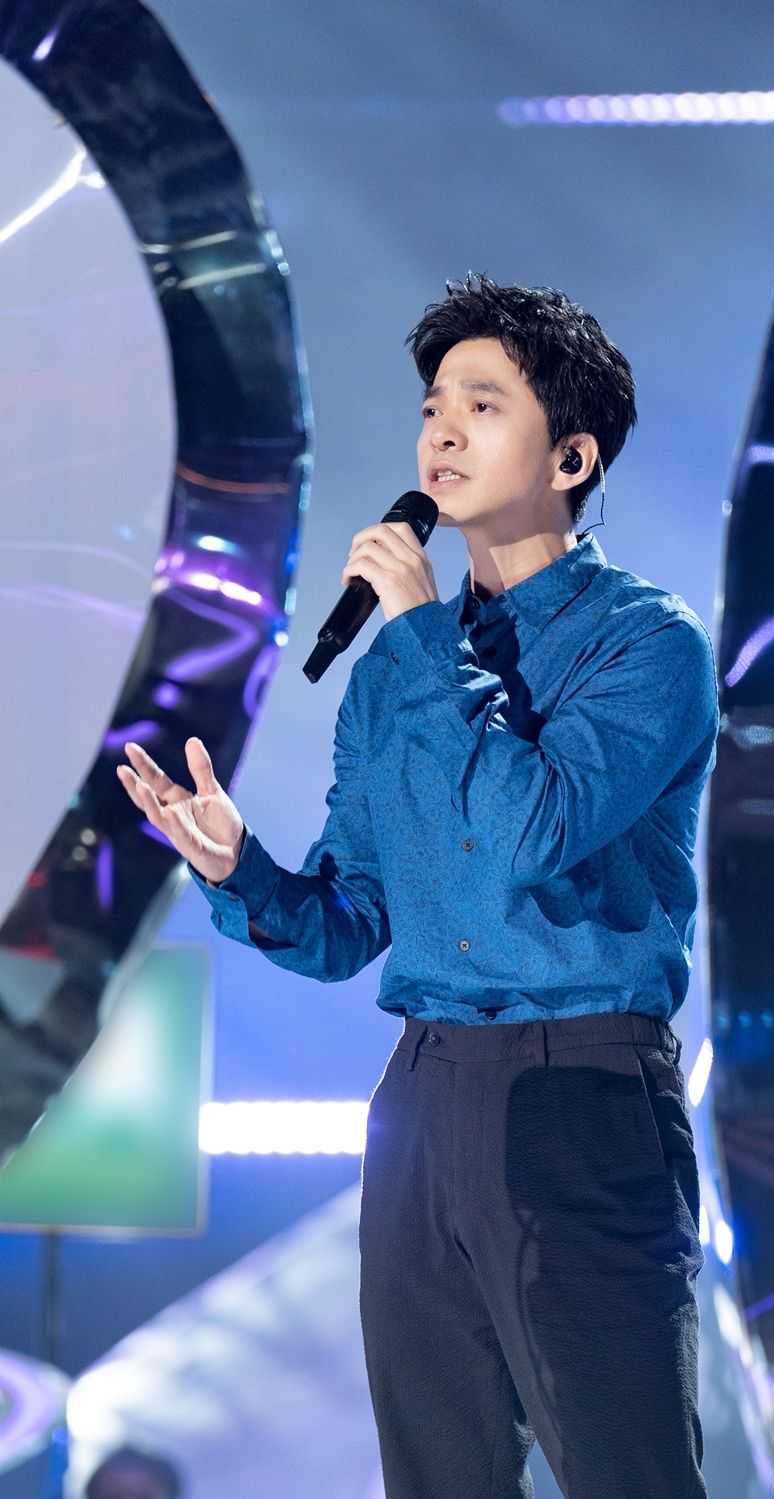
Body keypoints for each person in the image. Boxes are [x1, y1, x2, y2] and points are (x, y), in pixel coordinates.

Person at [116, 271, 719, 1498]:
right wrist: (239, 866)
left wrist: (422, 638)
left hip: (580, 1086)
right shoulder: (401, 665)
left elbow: (525, 829)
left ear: (570, 456)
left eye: (482, 405)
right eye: (433, 405)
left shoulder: (646, 645)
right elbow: (350, 924)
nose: (441, 431)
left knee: (628, 1470)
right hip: (422, 1096)